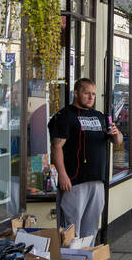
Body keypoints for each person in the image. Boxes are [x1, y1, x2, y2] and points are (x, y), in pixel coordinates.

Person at [48, 77, 123, 242]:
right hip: (74, 182)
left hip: (97, 181)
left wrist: (117, 134)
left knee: (91, 230)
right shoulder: (64, 116)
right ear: (75, 93)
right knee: (70, 231)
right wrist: (62, 174)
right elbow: (56, 147)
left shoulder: (100, 117)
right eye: (86, 93)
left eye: (94, 94)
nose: (91, 97)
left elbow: (117, 141)